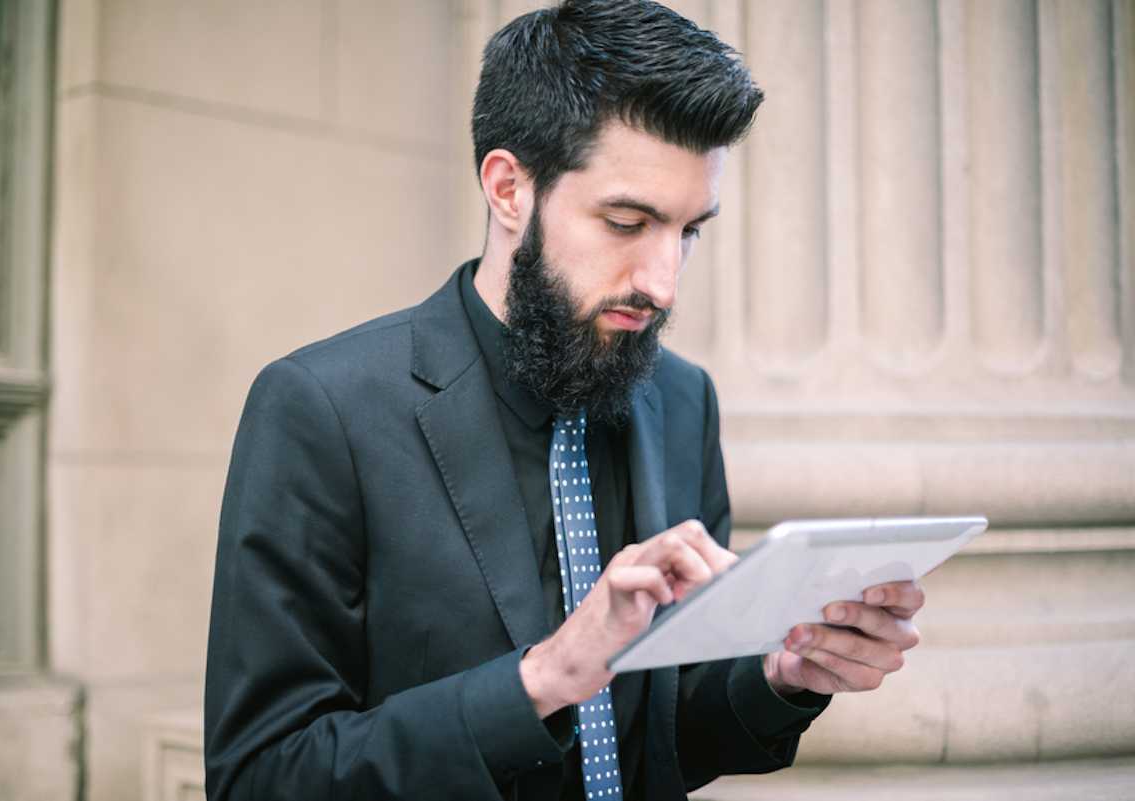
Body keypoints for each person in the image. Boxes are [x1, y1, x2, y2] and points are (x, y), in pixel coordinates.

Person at [204, 2, 925, 799]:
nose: (663, 281)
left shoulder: (683, 402)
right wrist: (541, 679)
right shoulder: (320, 409)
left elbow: (662, 738)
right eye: (627, 221)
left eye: (688, 231)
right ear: (509, 188)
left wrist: (780, 674)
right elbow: (260, 776)